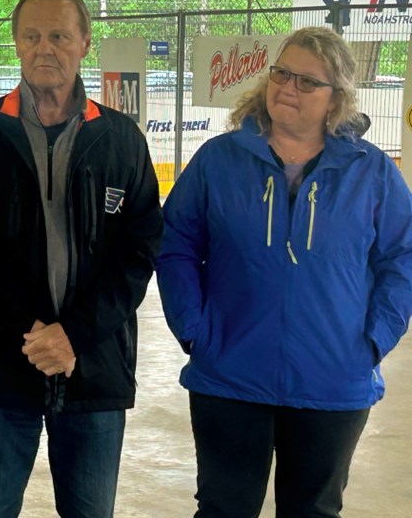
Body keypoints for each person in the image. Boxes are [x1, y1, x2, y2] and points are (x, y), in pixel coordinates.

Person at [157, 26, 412, 518]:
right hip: (229, 375)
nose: (288, 88)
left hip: (333, 382)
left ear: (336, 97)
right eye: (282, 74)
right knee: (223, 509)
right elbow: (177, 245)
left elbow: (402, 258)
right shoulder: (219, 160)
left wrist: (373, 340)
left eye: (307, 82)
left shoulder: (373, 172)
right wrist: (193, 329)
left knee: (313, 512)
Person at [0, 0, 164, 518]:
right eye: (32, 36)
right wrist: (33, 337)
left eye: (59, 35)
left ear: (84, 42)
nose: (45, 48)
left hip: (94, 372)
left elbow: (139, 250)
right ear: (15, 43)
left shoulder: (121, 138)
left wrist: (74, 336)